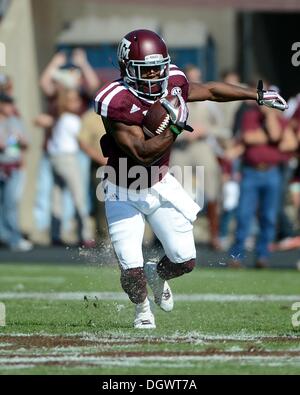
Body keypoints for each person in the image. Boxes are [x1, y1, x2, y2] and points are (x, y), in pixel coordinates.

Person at [95, 29, 288, 329]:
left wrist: (257, 95)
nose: (156, 76)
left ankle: (156, 274)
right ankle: (142, 310)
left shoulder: (171, 82)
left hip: (159, 184)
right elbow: (142, 153)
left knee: (184, 260)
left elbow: (210, 90)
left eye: (159, 67)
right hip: (123, 188)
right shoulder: (116, 102)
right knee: (130, 269)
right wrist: (175, 125)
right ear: (127, 69)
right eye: (147, 70)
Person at [0, 93, 32, 251]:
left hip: (13, 167)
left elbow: (26, 144)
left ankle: (14, 238)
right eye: (6, 104)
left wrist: (21, 140)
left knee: (11, 203)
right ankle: (4, 236)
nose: (10, 107)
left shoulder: (15, 121)